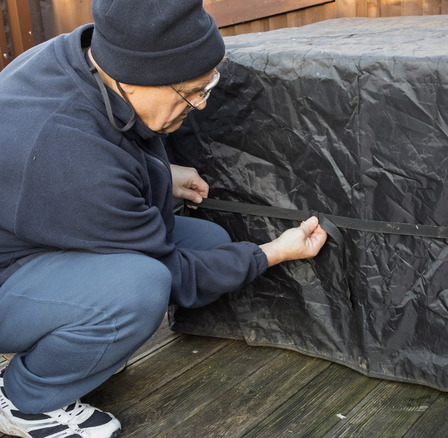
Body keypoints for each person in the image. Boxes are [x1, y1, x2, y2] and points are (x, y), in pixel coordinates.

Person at [0, 0, 328, 436]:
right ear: (136, 81)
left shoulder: (82, 56)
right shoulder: (71, 157)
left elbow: (99, 155)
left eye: (206, 87)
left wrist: (163, 174)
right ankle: (23, 400)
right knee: (140, 287)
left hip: (40, 229)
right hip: (10, 275)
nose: (200, 104)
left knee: (209, 241)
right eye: (191, 92)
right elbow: (173, 274)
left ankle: (82, 345)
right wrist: (272, 253)